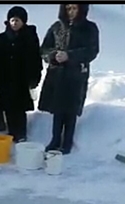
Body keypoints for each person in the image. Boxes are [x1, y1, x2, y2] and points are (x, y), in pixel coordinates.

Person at [38, 4, 99, 154]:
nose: (71, 12)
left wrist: (70, 56)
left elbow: (92, 50)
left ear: (81, 9)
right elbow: (44, 48)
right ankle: (55, 139)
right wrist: (53, 55)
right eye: (68, 8)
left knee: (71, 109)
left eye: (74, 8)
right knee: (57, 108)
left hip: (76, 74)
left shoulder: (89, 28)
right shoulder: (56, 27)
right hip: (57, 73)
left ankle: (67, 142)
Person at [0, 6, 43, 143]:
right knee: (8, 108)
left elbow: (36, 58)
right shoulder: (3, 37)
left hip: (22, 79)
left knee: (20, 109)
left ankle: (21, 133)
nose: (15, 23)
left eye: (17, 20)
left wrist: (35, 77)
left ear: (23, 21)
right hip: (6, 78)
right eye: (12, 20)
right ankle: (11, 132)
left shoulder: (30, 36)